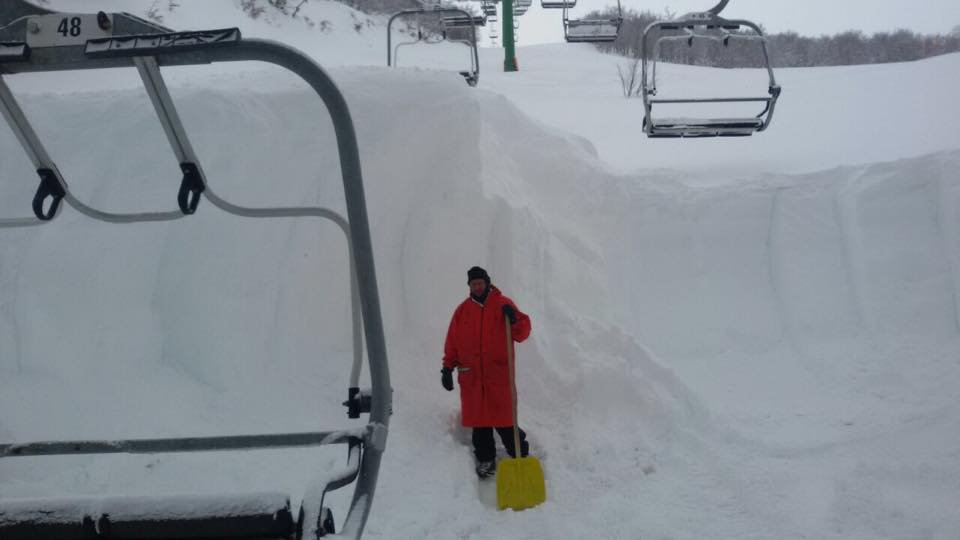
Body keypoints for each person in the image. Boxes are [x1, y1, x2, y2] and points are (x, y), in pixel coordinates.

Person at [442, 266, 532, 479]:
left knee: (505, 420)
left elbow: (523, 332)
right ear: (469, 286)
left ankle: (520, 454)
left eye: (480, 283)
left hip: (498, 375)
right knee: (480, 423)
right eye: (473, 284)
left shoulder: (503, 304)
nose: (477, 287)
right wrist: (447, 367)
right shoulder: (462, 311)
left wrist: (515, 319)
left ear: (487, 282)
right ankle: (486, 459)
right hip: (472, 377)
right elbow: (452, 342)